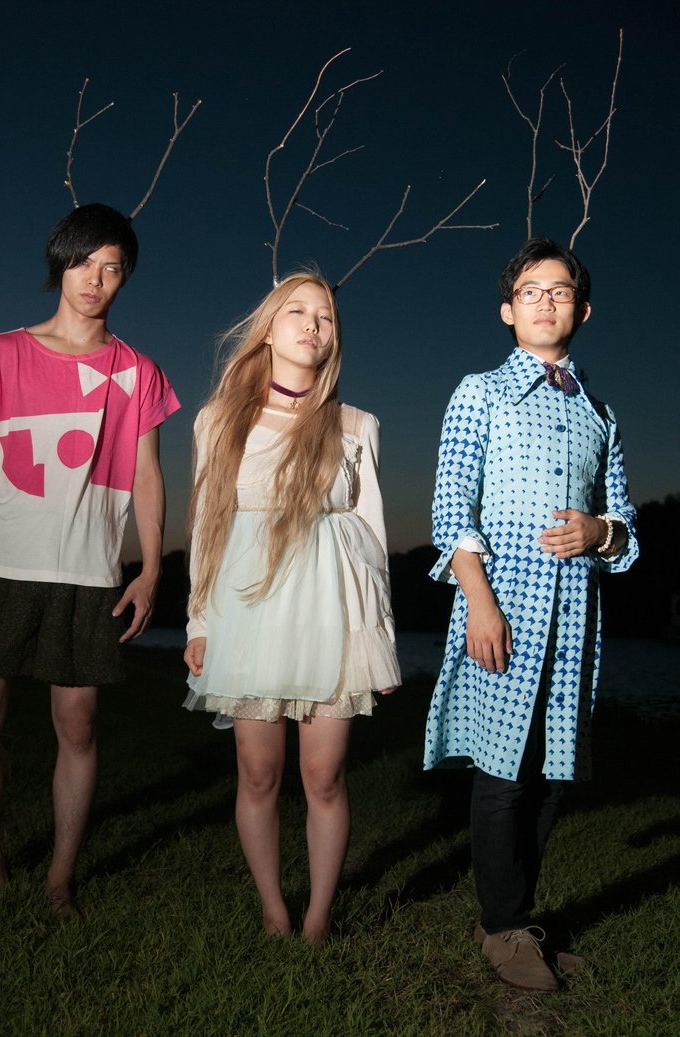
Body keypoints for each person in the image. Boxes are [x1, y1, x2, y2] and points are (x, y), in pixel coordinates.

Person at [0, 203, 179, 917]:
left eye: (111, 267)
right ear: (59, 264)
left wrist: (151, 568)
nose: (95, 278)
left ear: (124, 278)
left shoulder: (138, 372)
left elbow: (148, 474)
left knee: (79, 727)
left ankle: (60, 876)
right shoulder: (3, 352)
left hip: (88, 574)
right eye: (83, 262)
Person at [424, 239, 637, 992]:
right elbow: (451, 508)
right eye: (530, 291)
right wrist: (479, 603)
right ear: (507, 311)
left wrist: (600, 531)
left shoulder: (599, 412)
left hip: (573, 618)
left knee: (552, 774)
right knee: (503, 773)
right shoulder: (480, 392)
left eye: (560, 290)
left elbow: (626, 530)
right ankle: (504, 928)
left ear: (583, 310)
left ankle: (517, 919)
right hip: (502, 609)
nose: (546, 300)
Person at [183, 272, 400, 943]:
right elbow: (209, 525)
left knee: (324, 775)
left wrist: (380, 638)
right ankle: (274, 911)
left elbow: (372, 539)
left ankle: (317, 919)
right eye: (297, 312)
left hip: (331, 611)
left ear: (334, 337)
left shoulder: (356, 424)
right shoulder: (220, 419)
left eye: (325, 316)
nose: (312, 324)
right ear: (269, 331)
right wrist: (198, 620)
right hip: (246, 610)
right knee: (259, 773)